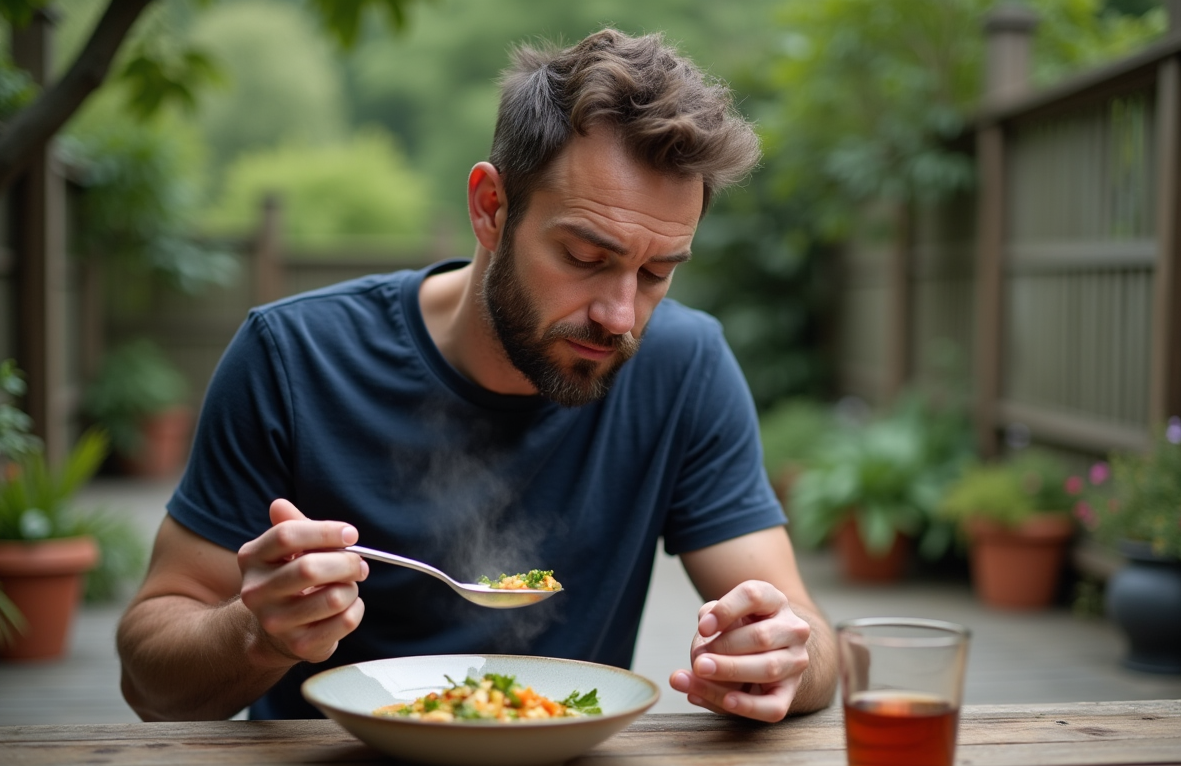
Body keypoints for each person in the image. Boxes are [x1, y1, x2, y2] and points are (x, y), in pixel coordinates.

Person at [116, 28, 837, 724]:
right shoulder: (293, 357)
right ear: (491, 208)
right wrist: (256, 632)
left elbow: (810, 637)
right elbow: (149, 678)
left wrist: (783, 657)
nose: (621, 316)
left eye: (655, 273)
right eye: (586, 257)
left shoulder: (683, 366)